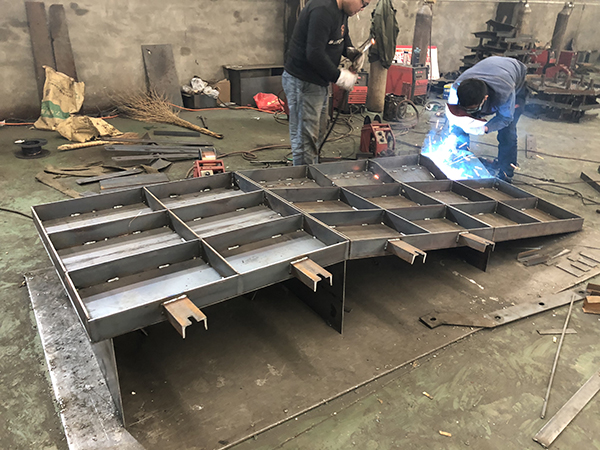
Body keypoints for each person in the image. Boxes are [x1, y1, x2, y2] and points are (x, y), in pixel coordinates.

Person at [283, 0, 369, 166]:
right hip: (304, 81)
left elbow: (342, 36)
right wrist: (339, 77)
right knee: (305, 140)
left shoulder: (343, 11)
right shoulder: (321, 10)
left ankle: (311, 170)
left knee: (317, 134)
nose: (362, 9)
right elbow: (314, 53)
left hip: (320, 82)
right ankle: (303, 177)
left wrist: (351, 52)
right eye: (363, 3)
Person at [446, 56, 527, 182]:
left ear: (485, 98)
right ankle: (460, 159)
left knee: (507, 133)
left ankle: (506, 173)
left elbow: (505, 118)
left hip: (515, 75)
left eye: (473, 108)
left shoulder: (505, 91)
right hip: (491, 68)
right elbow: (454, 114)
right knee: (459, 127)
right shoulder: (457, 87)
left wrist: (485, 128)